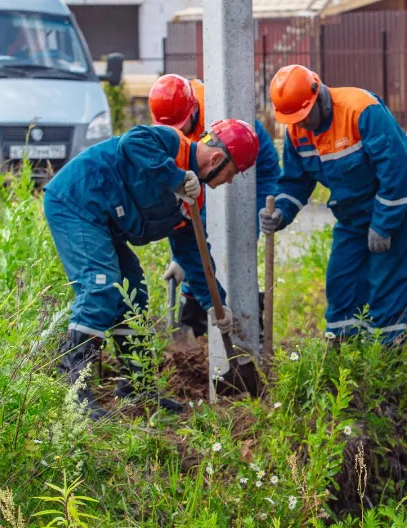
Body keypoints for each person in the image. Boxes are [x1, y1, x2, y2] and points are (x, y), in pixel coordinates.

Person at [43, 119, 260, 420]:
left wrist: (216, 305)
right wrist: (175, 178)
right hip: (77, 202)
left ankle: (136, 386)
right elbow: (132, 143)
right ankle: (72, 389)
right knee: (101, 286)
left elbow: (195, 254)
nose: (230, 181)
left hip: (104, 223)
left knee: (132, 289)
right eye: (232, 173)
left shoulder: (191, 201)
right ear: (218, 159)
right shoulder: (171, 143)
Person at [259, 64, 407, 350]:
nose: (301, 125)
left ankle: (384, 371)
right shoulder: (296, 132)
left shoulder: (361, 111)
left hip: (401, 202)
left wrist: (383, 224)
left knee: (387, 285)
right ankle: (343, 363)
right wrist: (280, 212)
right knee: (342, 282)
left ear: (319, 97)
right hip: (352, 210)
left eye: (304, 117)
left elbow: (397, 170)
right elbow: (294, 181)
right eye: (294, 120)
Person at [148, 74, 282, 352]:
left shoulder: (220, 113)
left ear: (194, 109)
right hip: (207, 173)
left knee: (236, 247)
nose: (177, 131)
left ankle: (248, 323)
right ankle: (194, 326)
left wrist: (260, 210)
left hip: (246, 172)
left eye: (181, 125)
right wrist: (180, 257)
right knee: (197, 250)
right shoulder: (169, 125)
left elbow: (263, 162)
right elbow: (183, 206)